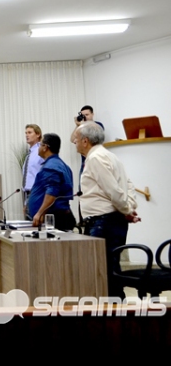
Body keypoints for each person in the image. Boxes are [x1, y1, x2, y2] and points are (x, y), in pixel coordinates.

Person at [74, 122, 140, 298]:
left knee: (104, 271)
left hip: (103, 222)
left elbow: (113, 189)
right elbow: (128, 186)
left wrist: (126, 210)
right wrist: (130, 207)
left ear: (85, 141)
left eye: (76, 140)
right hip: (111, 221)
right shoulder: (111, 156)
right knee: (110, 269)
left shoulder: (95, 158)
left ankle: (114, 315)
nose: (75, 142)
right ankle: (115, 312)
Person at [28, 133, 76, 231]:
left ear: (45, 147)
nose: (38, 147)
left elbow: (52, 192)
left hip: (53, 219)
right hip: (59, 216)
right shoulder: (61, 165)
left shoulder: (51, 167)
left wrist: (40, 212)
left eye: (40, 144)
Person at [22, 124, 44, 218]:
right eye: (26, 133)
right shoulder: (29, 154)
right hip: (28, 195)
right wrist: (26, 202)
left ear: (38, 134)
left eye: (30, 132)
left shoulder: (41, 151)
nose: (27, 135)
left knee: (35, 227)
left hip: (37, 193)